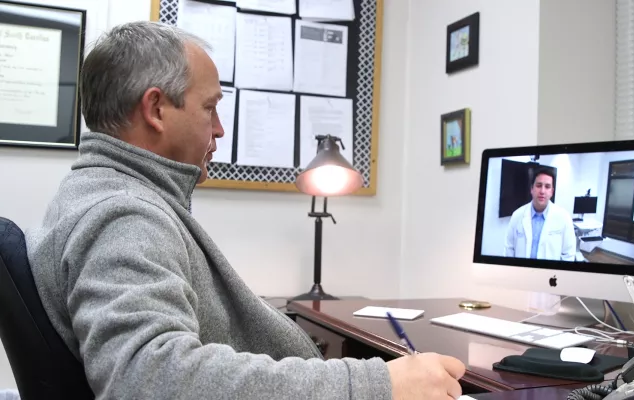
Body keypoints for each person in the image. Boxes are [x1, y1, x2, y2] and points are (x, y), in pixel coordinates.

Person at [25, 21, 465, 400]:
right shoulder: (122, 217)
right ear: (156, 108)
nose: (219, 129)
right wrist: (376, 384)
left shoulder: (100, 193)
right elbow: (149, 378)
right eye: (210, 108)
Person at [504, 167, 576, 261]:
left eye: (547, 186)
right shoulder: (517, 215)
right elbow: (509, 249)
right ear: (531, 189)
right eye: (538, 185)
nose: (542, 191)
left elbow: (569, 254)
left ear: (552, 192)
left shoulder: (564, 217)